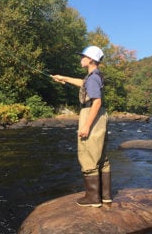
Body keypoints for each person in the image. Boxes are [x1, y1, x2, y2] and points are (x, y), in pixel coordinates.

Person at [51, 45, 112, 208]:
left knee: (88, 155)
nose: (81, 59)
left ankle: (93, 198)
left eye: (83, 56)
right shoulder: (94, 76)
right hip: (100, 116)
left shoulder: (92, 78)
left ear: (91, 60)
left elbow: (96, 102)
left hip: (91, 113)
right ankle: (105, 195)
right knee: (101, 157)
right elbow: (82, 83)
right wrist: (63, 77)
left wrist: (86, 125)